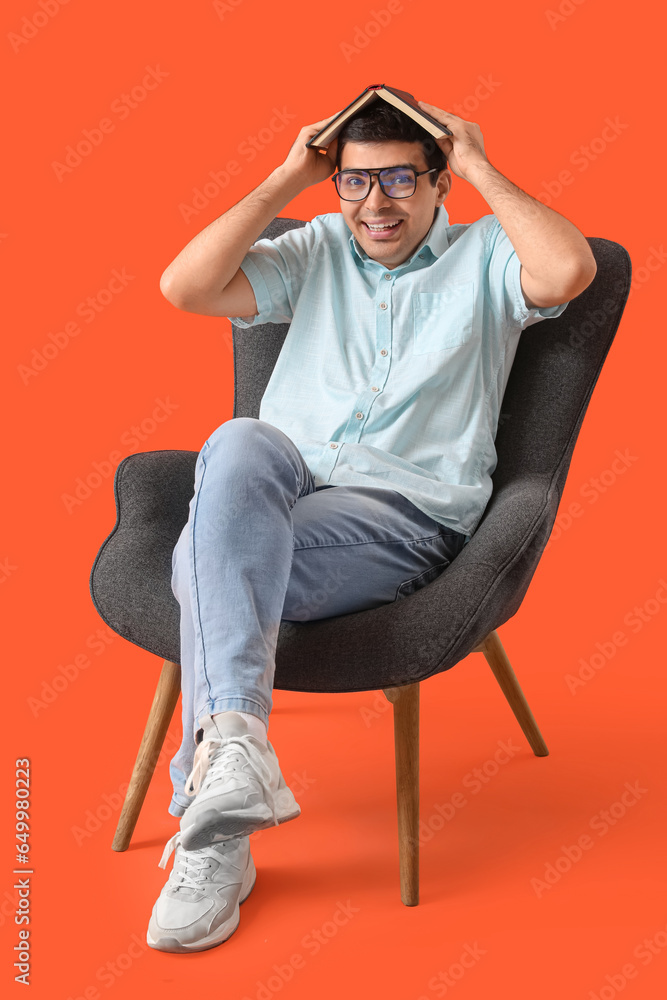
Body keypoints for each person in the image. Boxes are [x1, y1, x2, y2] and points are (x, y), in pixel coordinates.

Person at [147, 96, 597, 953]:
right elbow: (184, 287)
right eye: (356, 181)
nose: (375, 204)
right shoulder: (313, 246)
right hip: (284, 484)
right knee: (237, 439)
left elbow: (569, 272)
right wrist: (290, 177)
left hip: (399, 517)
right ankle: (233, 757)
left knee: (205, 567)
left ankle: (215, 842)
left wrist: (478, 165)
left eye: (399, 179)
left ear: (436, 184)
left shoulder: (486, 255)